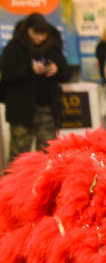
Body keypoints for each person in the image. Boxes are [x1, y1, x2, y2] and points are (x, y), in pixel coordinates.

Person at [1, 12, 70, 166]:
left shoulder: (52, 48)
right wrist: (30, 70)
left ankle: (44, 180)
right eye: (35, 33)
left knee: (48, 154)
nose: (39, 38)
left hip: (47, 108)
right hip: (21, 111)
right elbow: (7, 74)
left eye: (43, 34)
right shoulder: (14, 47)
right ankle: (14, 182)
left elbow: (66, 74)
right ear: (28, 30)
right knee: (19, 156)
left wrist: (56, 69)